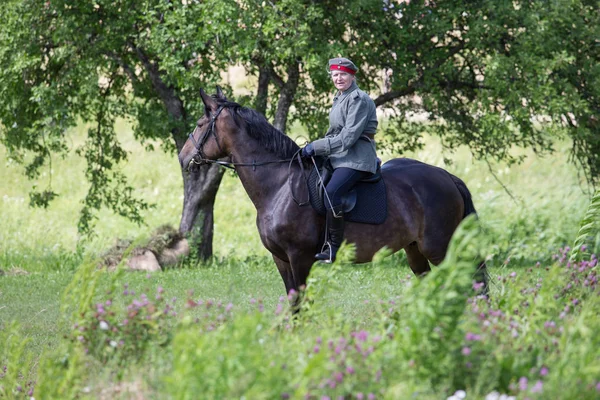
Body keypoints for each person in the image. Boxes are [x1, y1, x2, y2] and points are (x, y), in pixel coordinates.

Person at [301, 57, 378, 263]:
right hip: (339, 157)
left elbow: (347, 138)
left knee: (331, 191)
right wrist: (312, 149)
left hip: (356, 158)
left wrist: (315, 147)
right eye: (335, 75)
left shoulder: (358, 100)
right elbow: (333, 133)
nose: (338, 78)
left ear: (352, 76)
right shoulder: (339, 98)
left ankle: (335, 247)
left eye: (343, 74)